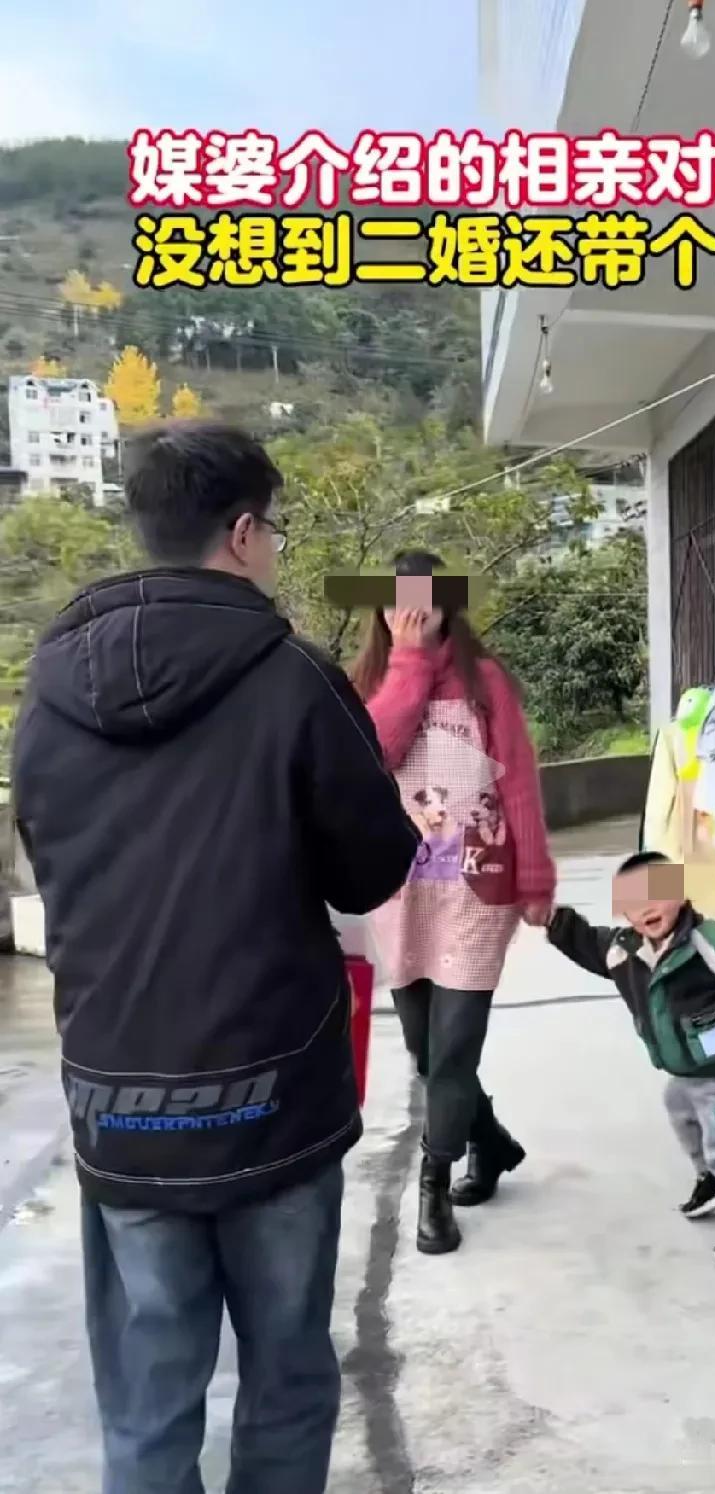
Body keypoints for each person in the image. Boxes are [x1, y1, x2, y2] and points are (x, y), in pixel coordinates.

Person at [12, 422, 419, 1494]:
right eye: (271, 529)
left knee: (147, 1407)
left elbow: (52, 866)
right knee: (285, 1379)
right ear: (242, 533)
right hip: (271, 1099)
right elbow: (370, 871)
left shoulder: (47, 693)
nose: (273, 547)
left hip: (117, 1103)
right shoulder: (293, 677)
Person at [352, 550, 555, 1256]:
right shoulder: (366, 683)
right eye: (397, 601)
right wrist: (409, 662)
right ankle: (490, 1141)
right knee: (425, 1048)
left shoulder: (486, 681)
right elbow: (374, 753)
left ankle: (433, 1185)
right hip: (401, 891)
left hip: (476, 887)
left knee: (456, 1046)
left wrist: (536, 880)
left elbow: (519, 783)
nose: (411, 612)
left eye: (425, 599)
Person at [545, 851, 715, 1269]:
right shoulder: (626, 950)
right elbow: (587, 942)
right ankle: (713, 1178)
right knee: (680, 1109)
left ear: (681, 893)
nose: (646, 909)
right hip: (691, 1073)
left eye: (657, 894)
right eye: (633, 902)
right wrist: (551, 919)